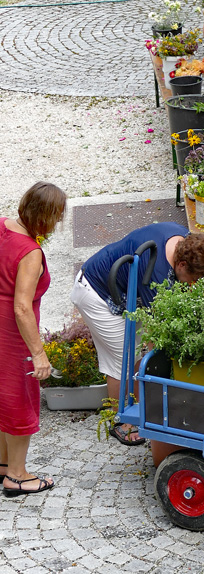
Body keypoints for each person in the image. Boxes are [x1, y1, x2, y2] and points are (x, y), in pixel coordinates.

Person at [71, 226, 204, 445]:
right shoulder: (156, 273)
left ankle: (141, 410)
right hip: (97, 294)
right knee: (122, 361)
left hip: (129, 292)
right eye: (194, 278)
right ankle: (122, 421)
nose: (194, 284)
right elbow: (157, 335)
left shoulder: (183, 239)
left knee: (137, 358)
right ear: (181, 265)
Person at [1, 182, 66, 496]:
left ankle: (2, 463)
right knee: (20, 398)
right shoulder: (30, 253)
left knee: (3, 395)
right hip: (12, 334)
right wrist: (39, 353)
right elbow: (22, 306)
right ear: (47, 218)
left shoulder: (2, 226)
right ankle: (16, 475)